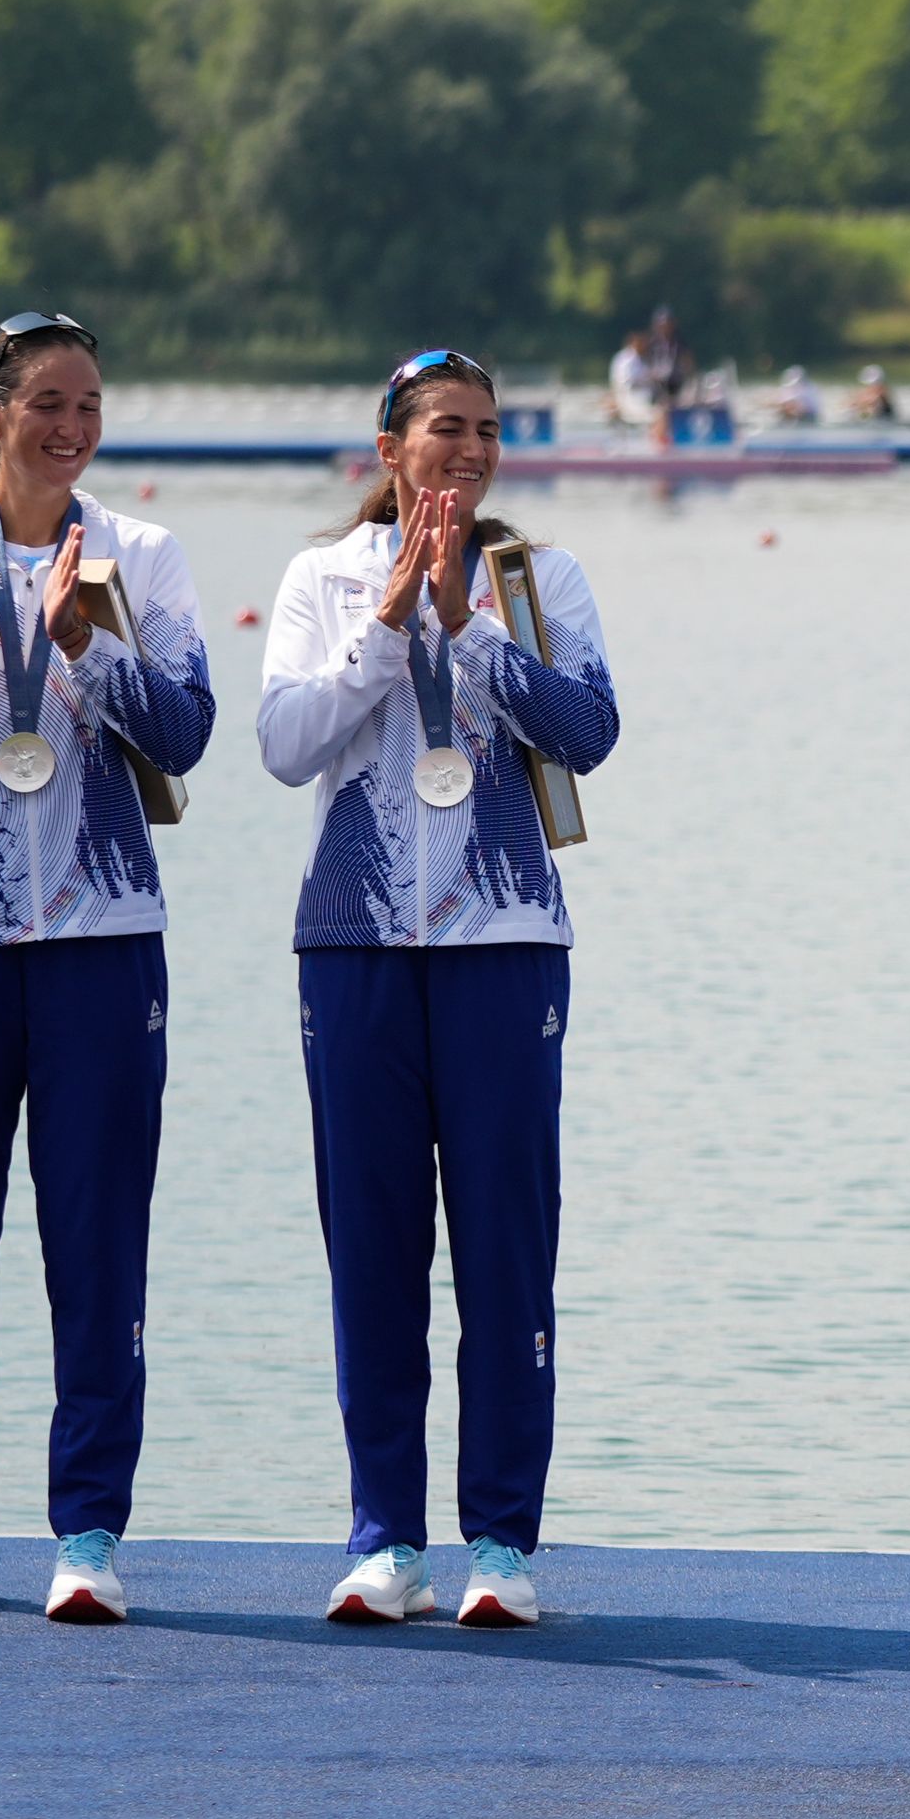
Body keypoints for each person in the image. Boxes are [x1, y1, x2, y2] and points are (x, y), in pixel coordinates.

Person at [259, 349, 621, 1630]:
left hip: (505, 942)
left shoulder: (537, 578)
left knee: (507, 1255)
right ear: (390, 448)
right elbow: (284, 744)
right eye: (443, 431)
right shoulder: (323, 579)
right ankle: (384, 1541)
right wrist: (388, 625)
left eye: (485, 431)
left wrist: (466, 625)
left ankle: (503, 1546)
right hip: (353, 945)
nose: (467, 451)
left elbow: (589, 734)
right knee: (373, 1251)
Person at [0, 312, 216, 1625]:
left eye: (90, 406)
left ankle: (88, 1533)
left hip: (102, 945)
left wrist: (88, 645)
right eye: (47, 403)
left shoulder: (143, 557)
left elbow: (184, 734)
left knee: (97, 1248)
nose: (71, 427)